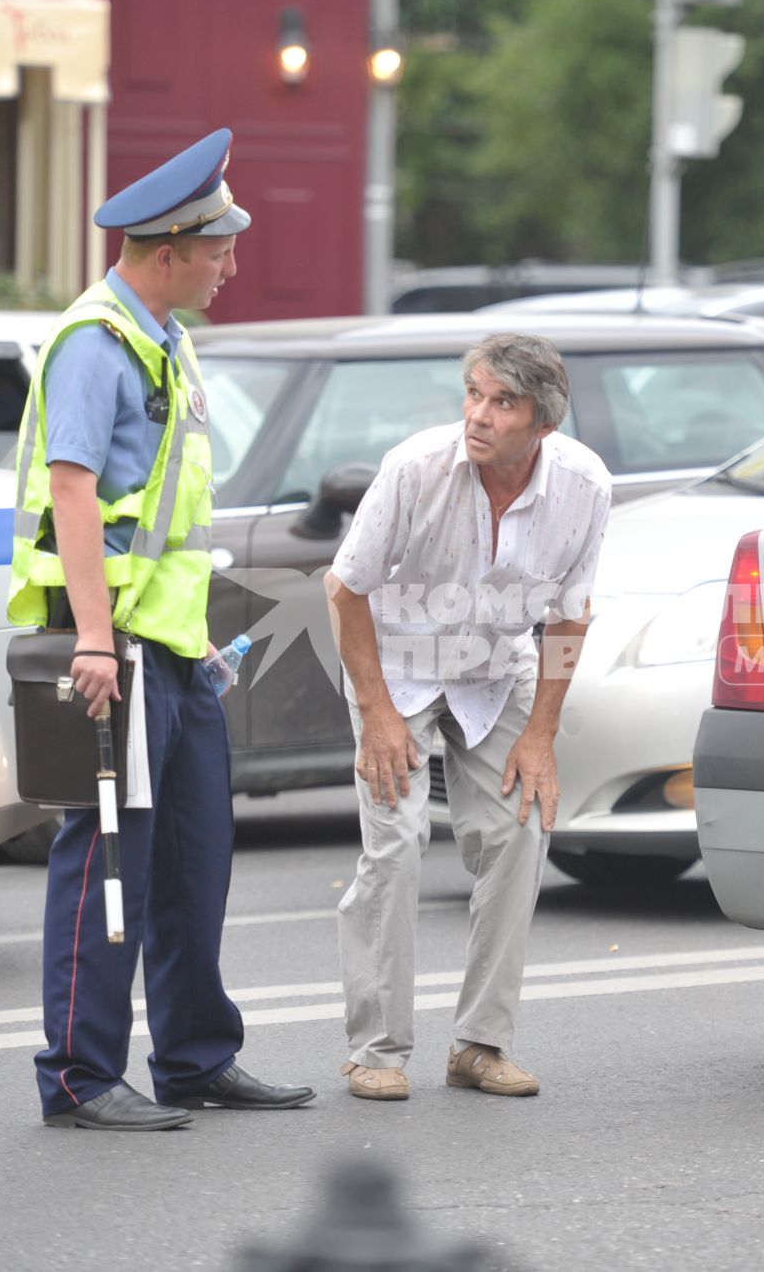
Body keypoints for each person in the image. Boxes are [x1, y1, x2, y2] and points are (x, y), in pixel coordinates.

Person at [6, 128, 314, 1131]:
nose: (232, 261)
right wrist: (95, 639)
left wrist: (203, 646)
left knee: (192, 863)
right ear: (169, 249)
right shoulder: (95, 345)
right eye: (219, 245)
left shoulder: (164, 339)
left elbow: (166, 519)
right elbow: (74, 492)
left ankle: (192, 1056)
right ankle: (80, 1074)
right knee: (105, 867)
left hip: (176, 652)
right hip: (119, 654)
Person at [326, 332, 611, 1102]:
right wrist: (378, 712)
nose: (479, 415)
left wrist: (542, 734)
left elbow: (570, 614)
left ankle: (480, 1044)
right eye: (474, 394)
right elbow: (345, 589)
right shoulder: (416, 468)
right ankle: (375, 1048)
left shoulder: (584, 484)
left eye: (503, 402)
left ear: (543, 424)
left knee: (523, 829)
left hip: (496, 668)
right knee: (396, 843)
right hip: (395, 669)